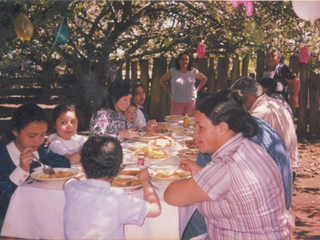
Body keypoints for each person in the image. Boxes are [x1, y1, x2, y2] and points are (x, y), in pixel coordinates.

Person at [164, 92, 290, 239]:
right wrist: (202, 172)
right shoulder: (249, 147)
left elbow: (171, 196)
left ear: (222, 128)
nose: (194, 134)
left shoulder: (226, 166)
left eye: (200, 127)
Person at [63, 136, 161, 239]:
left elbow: (68, 182)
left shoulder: (70, 187)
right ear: (119, 169)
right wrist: (145, 181)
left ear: (82, 166)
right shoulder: (117, 198)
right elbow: (156, 209)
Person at [0, 104, 71, 231]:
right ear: (15, 131)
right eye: (32, 136)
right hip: (10, 225)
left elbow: (64, 162)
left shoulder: (40, 153)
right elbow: (2, 201)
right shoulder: (3, 157)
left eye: (42, 135)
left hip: (40, 217)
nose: (38, 141)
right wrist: (21, 169)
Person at [231, 76, 301, 180]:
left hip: (275, 171)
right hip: (288, 168)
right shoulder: (275, 103)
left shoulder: (259, 114)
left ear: (245, 97)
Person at [89, 80, 158, 142]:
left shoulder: (119, 114)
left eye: (129, 99)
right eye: (125, 99)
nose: (128, 103)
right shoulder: (103, 115)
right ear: (114, 98)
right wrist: (121, 134)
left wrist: (146, 128)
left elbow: (131, 130)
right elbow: (96, 139)